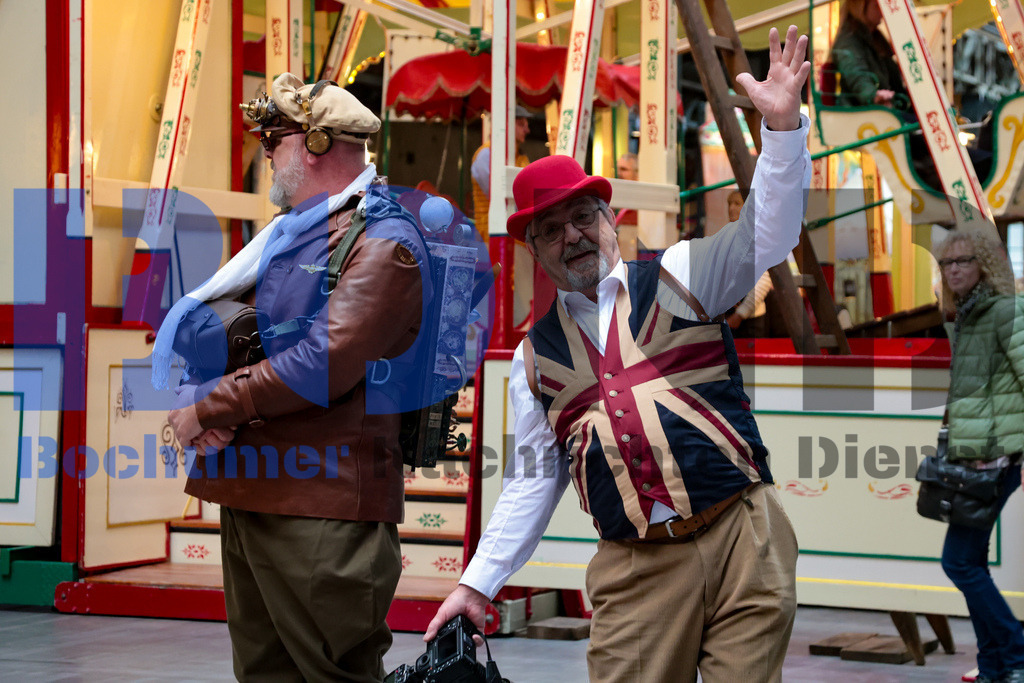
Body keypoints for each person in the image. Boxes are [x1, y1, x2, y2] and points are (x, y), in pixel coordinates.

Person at [426, 26, 812, 682]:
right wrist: (477, 583)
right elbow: (532, 480)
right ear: (535, 250)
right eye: (551, 228)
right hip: (636, 566)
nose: (572, 235)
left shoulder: (683, 272)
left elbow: (767, 235)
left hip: (741, 535)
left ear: (610, 216)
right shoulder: (532, 361)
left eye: (582, 215)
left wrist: (782, 132)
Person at [160, 73, 424, 681]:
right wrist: (200, 396)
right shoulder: (291, 235)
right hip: (252, 488)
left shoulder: (384, 241)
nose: (266, 156)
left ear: (316, 143)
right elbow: (234, 337)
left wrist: (208, 410)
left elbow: (321, 364)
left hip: (324, 504)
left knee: (334, 674)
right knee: (263, 674)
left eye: (272, 141)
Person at [936, 228, 1024, 683]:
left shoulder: (1007, 311)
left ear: (984, 264)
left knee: (959, 562)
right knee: (972, 563)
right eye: (947, 263)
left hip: (997, 460)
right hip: (973, 461)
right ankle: (996, 666)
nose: (953, 270)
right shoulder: (967, 315)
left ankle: (1016, 651)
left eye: (962, 261)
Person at [471, 106, 531, 243]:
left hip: (519, 239)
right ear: (506, 125)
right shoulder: (485, 156)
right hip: (490, 238)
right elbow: (499, 199)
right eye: (521, 124)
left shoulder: (521, 157)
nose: (527, 130)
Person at [724, 189, 773, 336]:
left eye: (737, 203)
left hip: (749, 322)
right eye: (729, 203)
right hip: (730, 318)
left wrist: (740, 314)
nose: (731, 208)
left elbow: (763, 281)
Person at [613, 152, 638, 227]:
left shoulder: (641, 204)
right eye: (618, 169)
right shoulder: (617, 198)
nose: (619, 173)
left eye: (624, 169)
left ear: (637, 173)